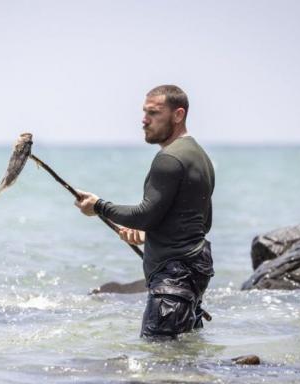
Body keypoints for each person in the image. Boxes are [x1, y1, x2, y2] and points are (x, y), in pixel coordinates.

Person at [74, 85, 215, 339]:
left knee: (158, 362)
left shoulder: (168, 159)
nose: (144, 120)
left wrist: (98, 206)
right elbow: (200, 222)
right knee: (180, 362)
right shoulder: (199, 156)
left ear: (178, 115)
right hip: (194, 274)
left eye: (154, 113)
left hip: (173, 281)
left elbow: (145, 214)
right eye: (144, 112)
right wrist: (149, 235)